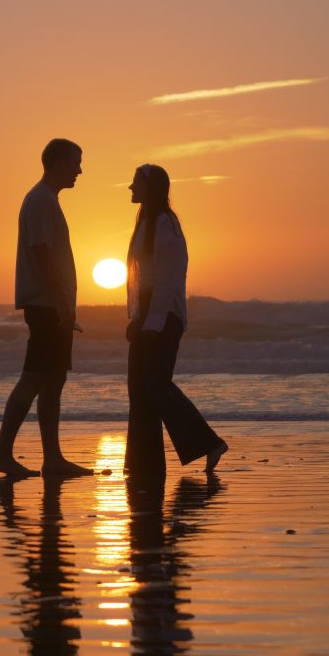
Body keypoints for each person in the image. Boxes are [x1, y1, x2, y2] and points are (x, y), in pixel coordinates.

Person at [0, 139, 93, 478]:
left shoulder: (46, 200)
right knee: (34, 378)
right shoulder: (40, 200)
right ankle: (3, 454)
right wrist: (63, 304)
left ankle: (53, 459)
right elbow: (42, 254)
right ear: (59, 161)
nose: (80, 170)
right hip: (47, 306)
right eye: (76, 162)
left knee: (53, 380)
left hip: (52, 306)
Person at [124, 163, 228, 479]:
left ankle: (208, 443)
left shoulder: (166, 225)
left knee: (155, 386)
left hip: (164, 317)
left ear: (151, 187)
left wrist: (153, 322)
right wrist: (137, 317)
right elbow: (141, 279)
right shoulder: (146, 222)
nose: (130, 188)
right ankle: (143, 463)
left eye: (135, 183)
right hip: (149, 315)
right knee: (140, 389)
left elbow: (168, 280)